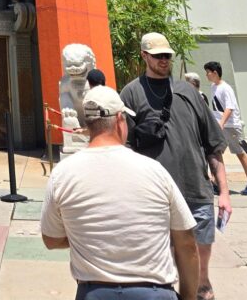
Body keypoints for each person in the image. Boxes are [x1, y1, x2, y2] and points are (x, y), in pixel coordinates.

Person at [40, 85, 199, 300]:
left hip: (95, 293)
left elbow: (51, 239)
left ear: (88, 124)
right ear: (119, 120)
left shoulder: (62, 174)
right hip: (154, 292)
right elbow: (186, 243)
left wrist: (86, 236)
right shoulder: (154, 170)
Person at [120, 33, 231, 300]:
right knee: (162, 259)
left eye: (167, 55)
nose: (163, 60)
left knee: (200, 252)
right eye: (157, 55)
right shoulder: (131, 93)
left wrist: (225, 192)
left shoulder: (189, 92)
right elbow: (124, 148)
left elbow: (213, 145)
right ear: (144, 56)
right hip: (154, 193)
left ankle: (202, 286)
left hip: (195, 187)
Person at [203, 61, 247, 195]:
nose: (206, 75)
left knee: (241, 154)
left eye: (208, 72)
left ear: (215, 73)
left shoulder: (225, 88)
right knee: (216, 153)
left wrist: (221, 123)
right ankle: (216, 183)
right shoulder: (213, 86)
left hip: (231, 126)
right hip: (221, 126)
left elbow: (229, 108)